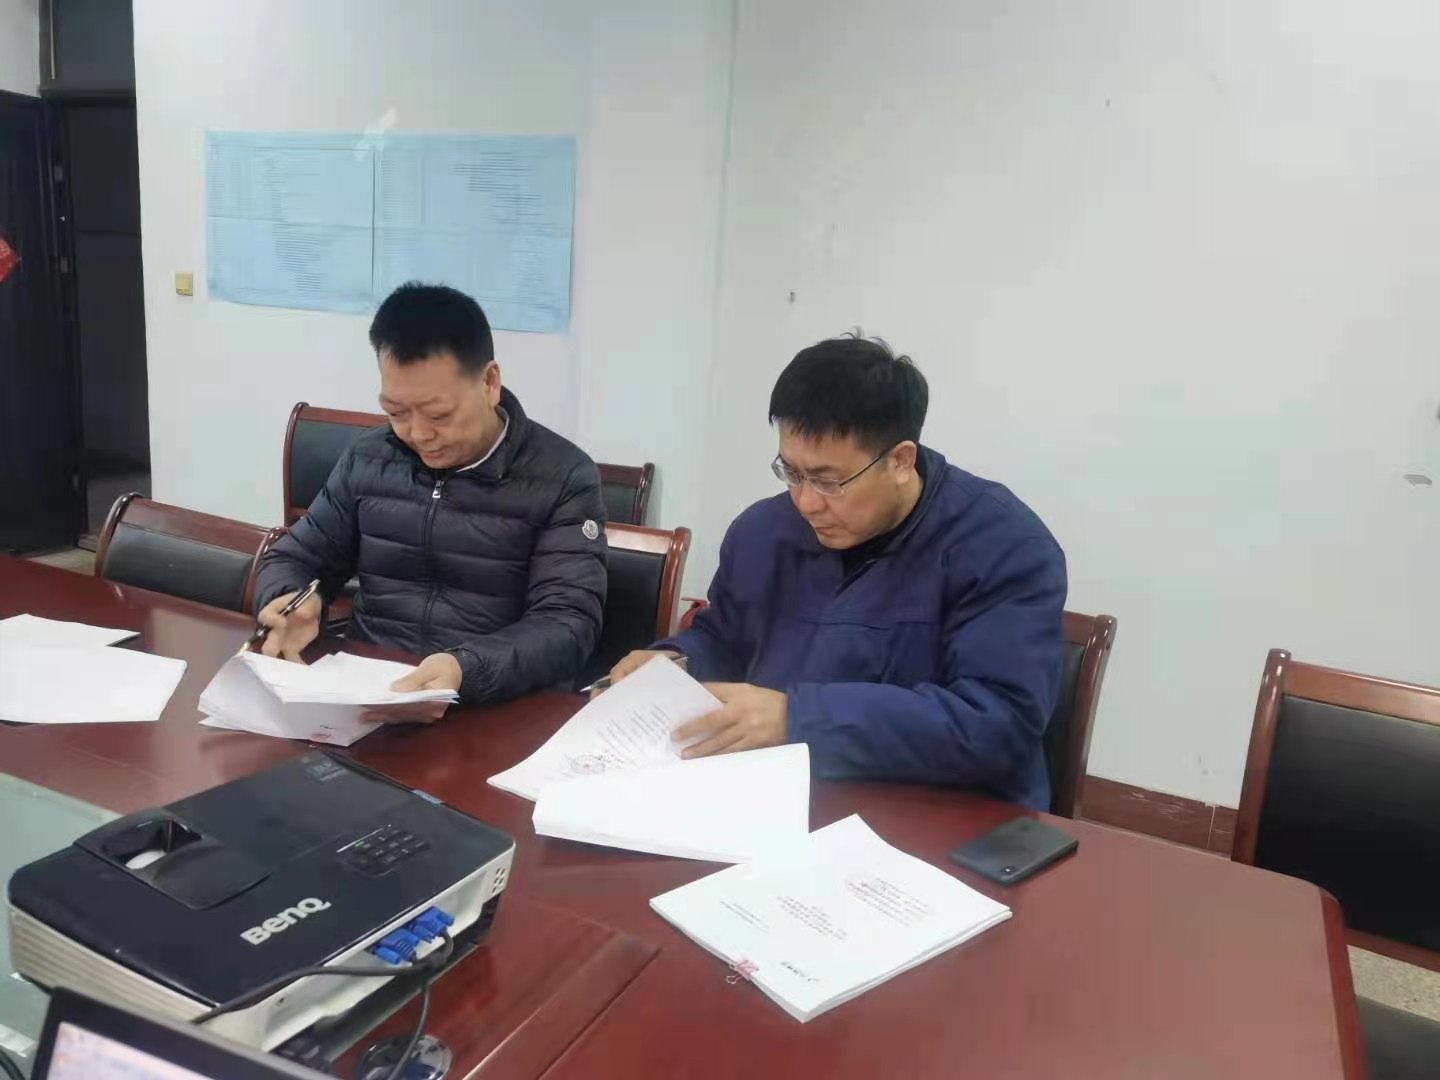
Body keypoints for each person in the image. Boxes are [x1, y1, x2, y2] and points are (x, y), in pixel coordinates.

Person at [606, 335, 1066, 809]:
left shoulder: (1001, 546)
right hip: (780, 794)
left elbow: (998, 724)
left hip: (944, 815)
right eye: (791, 473)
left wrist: (796, 719)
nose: (806, 502)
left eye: (828, 481)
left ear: (900, 461)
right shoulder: (762, 532)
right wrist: (675, 664)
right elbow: (724, 637)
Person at [253, 282, 607, 706]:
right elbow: (295, 556)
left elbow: (567, 624)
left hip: (491, 705)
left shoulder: (563, 476)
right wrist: (291, 599)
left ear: (490, 382)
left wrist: (466, 669)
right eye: (396, 412)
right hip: (368, 690)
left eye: (439, 415)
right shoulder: (369, 458)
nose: (418, 434)